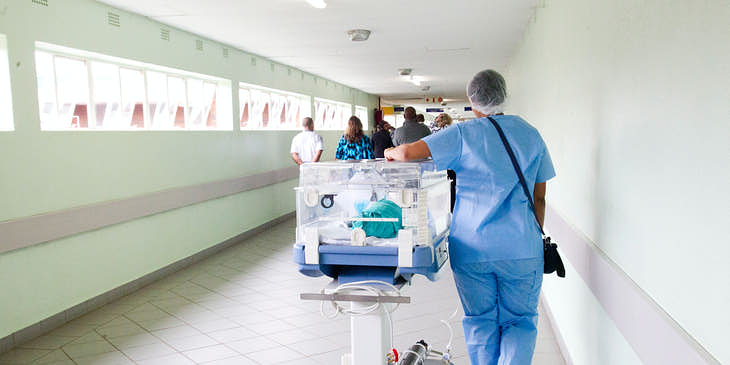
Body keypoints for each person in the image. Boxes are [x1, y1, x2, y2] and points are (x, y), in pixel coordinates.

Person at [385, 69, 555, 365]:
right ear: (504, 96)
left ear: (473, 101)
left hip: (472, 247)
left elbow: (409, 153)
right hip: (521, 247)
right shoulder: (531, 134)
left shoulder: (464, 134)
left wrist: (390, 150)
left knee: (480, 320)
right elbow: (539, 198)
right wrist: (529, 234)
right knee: (521, 322)